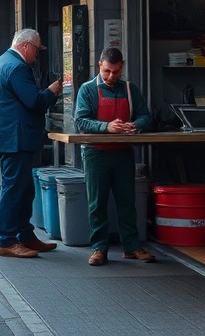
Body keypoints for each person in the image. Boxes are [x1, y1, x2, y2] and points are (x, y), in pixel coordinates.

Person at [75, 46, 155, 266]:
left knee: (127, 202)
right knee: (96, 204)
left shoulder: (131, 89)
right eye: (108, 71)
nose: (112, 76)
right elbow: (80, 121)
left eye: (116, 72)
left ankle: (131, 247)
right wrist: (106, 127)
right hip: (95, 154)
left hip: (123, 153)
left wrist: (135, 125)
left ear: (122, 68)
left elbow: (145, 116)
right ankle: (99, 248)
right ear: (100, 64)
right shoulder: (87, 90)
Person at [0, 28, 62, 259]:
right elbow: (34, 101)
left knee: (24, 188)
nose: (37, 56)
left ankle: (24, 234)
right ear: (26, 46)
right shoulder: (18, 67)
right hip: (15, 139)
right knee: (14, 189)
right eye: (37, 50)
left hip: (7, 137)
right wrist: (52, 91)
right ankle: (7, 240)